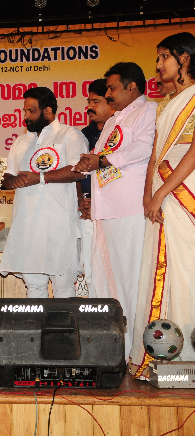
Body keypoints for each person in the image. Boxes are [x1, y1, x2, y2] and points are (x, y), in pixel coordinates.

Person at [74, 62, 157, 359]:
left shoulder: (149, 111)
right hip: (105, 211)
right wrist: (89, 162)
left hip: (130, 209)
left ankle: (138, 351)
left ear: (131, 87)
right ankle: (116, 349)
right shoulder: (114, 120)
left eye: (111, 87)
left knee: (131, 280)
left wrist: (103, 161)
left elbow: (144, 148)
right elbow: (102, 157)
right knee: (106, 281)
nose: (107, 93)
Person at [129, 32, 195, 379]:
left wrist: (161, 193)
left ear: (184, 57)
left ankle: (187, 356)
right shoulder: (166, 103)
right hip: (161, 194)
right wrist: (148, 194)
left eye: (164, 57)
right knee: (159, 271)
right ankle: (162, 356)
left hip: (184, 192)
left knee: (184, 271)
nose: (158, 65)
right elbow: (156, 154)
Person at [0, 87, 88, 298]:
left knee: (63, 287)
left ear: (48, 111)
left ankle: (63, 323)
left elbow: (79, 170)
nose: (26, 116)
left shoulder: (69, 135)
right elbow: (6, 176)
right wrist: (12, 181)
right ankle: (36, 323)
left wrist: (39, 178)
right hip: (28, 228)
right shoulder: (21, 142)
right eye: (24, 111)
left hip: (60, 226)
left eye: (31, 111)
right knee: (34, 287)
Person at [77, 79, 115, 298]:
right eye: (88, 101)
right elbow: (75, 173)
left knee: (113, 270)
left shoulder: (118, 135)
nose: (89, 107)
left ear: (111, 103)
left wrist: (100, 203)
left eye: (96, 102)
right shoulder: (81, 135)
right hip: (87, 210)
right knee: (90, 272)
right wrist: (81, 201)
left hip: (114, 211)